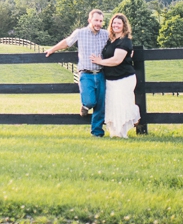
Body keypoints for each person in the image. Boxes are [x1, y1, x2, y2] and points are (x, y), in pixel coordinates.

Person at [45, 9, 110, 137]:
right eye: (96, 20)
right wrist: (52, 49)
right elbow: (67, 42)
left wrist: (128, 49)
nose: (98, 23)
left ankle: (97, 132)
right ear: (89, 20)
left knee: (101, 105)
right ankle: (85, 106)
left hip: (101, 73)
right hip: (86, 73)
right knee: (90, 101)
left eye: (101, 21)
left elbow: (119, 42)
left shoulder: (105, 34)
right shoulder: (80, 33)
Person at [91, 13, 140, 138]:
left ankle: (123, 131)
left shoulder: (125, 41)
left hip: (124, 78)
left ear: (124, 26)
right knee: (112, 105)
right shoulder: (111, 40)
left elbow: (117, 60)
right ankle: (115, 132)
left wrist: (100, 62)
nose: (116, 25)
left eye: (119, 23)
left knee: (122, 104)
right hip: (111, 79)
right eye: (114, 23)